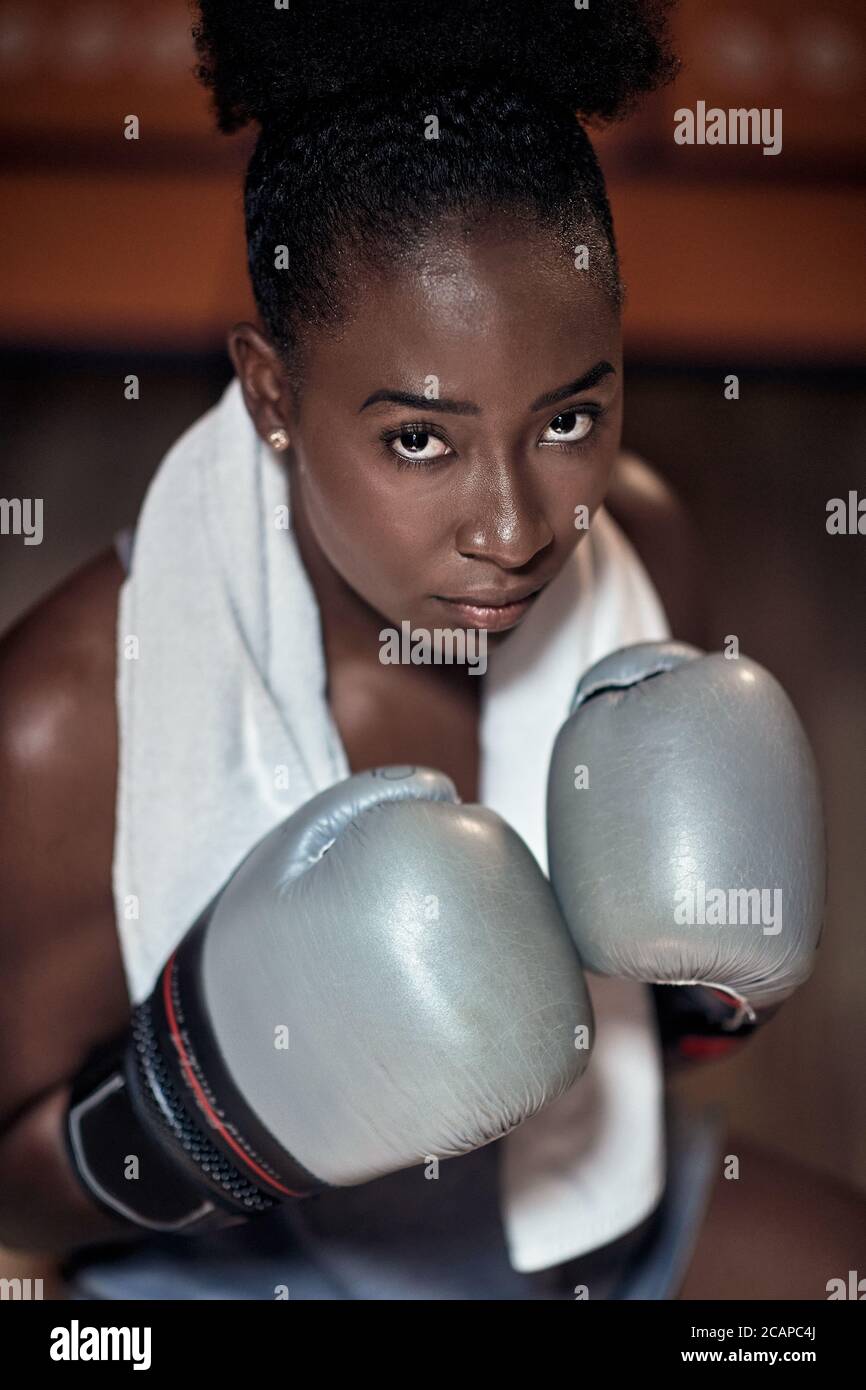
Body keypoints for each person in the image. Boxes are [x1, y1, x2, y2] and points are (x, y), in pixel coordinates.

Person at [0, 0, 860, 1301]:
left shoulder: (635, 539)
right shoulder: (71, 721)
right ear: (274, 393)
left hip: (587, 1217)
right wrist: (207, 1109)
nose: (518, 527)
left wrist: (700, 999)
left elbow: (633, 1014)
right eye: (419, 438)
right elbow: (11, 1203)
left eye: (567, 415)